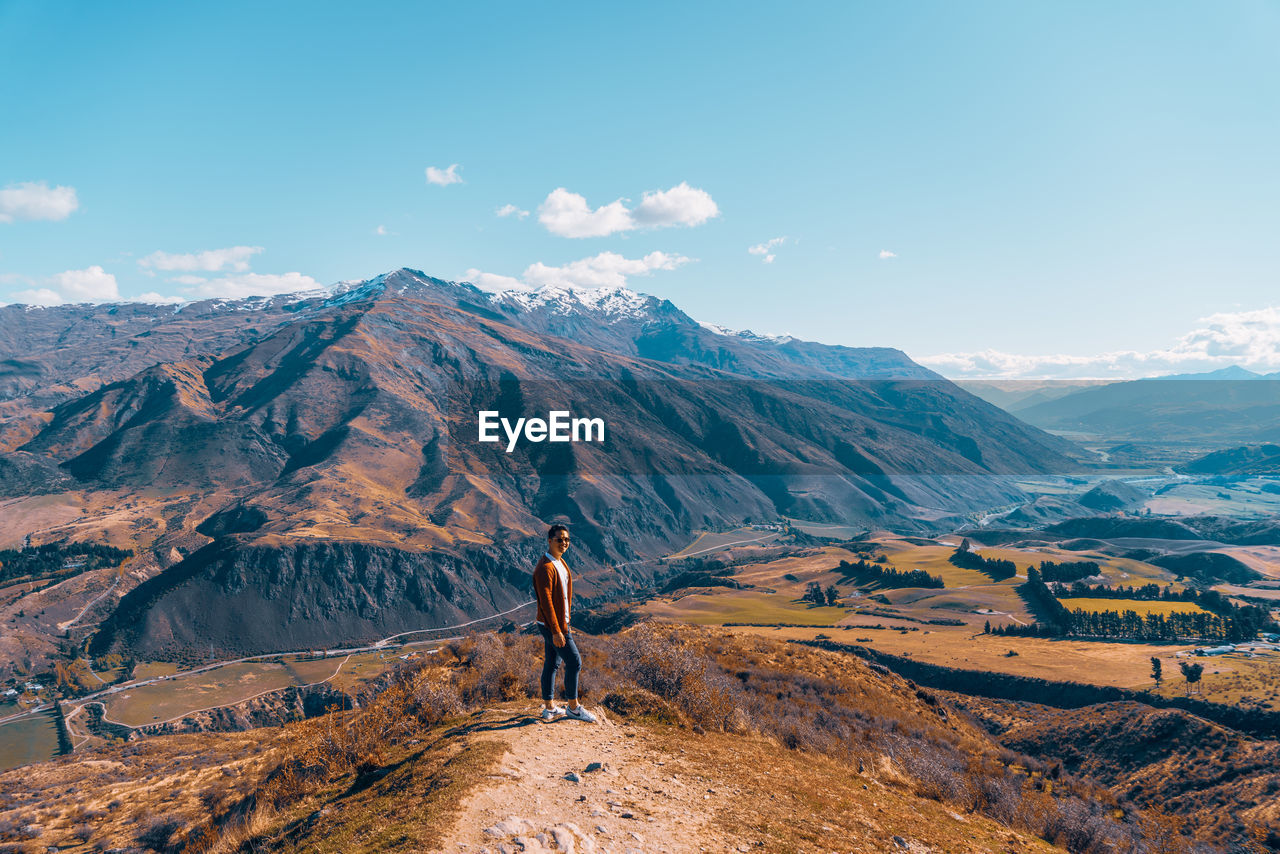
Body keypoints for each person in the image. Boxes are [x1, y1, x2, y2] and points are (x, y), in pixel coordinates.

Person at [533, 524, 596, 722]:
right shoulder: (545, 568)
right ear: (549, 540)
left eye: (567, 539)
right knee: (575, 662)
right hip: (553, 627)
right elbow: (546, 602)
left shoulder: (560, 563)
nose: (564, 543)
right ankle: (573, 707)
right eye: (559, 539)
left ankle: (550, 708)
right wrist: (557, 631)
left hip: (558, 624)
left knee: (552, 664)